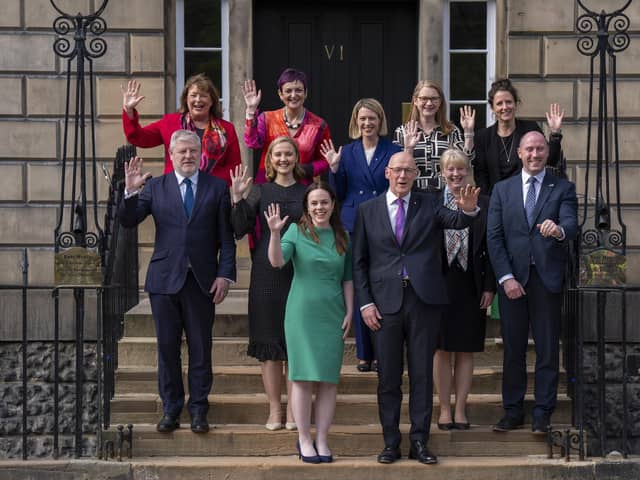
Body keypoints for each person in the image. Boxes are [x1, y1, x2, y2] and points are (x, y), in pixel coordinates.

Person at [353, 151, 480, 465]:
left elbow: (457, 220)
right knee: (388, 378)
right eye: (397, 170)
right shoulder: (367, 210)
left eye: (409, 170)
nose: (402, 176)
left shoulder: (429, 203)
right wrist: (366, 302)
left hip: (423, 301)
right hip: (384, 303)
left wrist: (469, 210)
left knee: (422, 375)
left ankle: (420, 442)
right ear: (387, 173)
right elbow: (359, 263)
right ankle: (391, 443)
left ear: (415, 175)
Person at [119, 129, 236, 434]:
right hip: (164, 281)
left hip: (202, 281)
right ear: (171, 155)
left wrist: (225, 274)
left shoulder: (217, 187)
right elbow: (128, 220)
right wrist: (130, 193)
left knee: (200, 348)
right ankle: (171, 408)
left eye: (193, 151)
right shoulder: (156, 187)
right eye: (181, 151)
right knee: (167, 348)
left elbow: (227, 237)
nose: (187, 156)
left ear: (201, 154)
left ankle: (198, 409)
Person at [487, 131, 577, 434]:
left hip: (547, 280)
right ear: (519, 154)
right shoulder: (502, 190)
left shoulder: (562, 187)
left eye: (540, 149)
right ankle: (512, 411)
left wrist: (558, 231)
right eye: (529, 149)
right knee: (513, 350)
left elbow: (570, 224)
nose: (535, 154)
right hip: (512, 281)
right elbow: (494, 238)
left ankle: (543, 411)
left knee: (548, 350)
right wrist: (506, 277)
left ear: (547, 153)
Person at [265, 181, 353, 464]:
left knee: (328, 380)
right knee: (302, 378)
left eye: (324, 202)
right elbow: (277, 262)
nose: (319, 207)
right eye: (314, 203)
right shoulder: (296, 231)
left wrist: (351, 311)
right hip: (302, 314)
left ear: (333, 205)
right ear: (307, 207)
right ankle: (304, 438)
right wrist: (275, 234)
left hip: (334, 313)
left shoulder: (342, 235)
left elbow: (348, 278)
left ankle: (323, 439)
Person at [229, 136, 306, 431]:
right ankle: (275, 409)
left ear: (296, 158)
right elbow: (239, 228)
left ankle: (296, 410)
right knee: (270, 343)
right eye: (278, 154)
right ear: (270, 160)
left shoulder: (307, 191)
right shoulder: (259, 191)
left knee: (295, 345)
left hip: (300, 270)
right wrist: (237, 198)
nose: (284, 159)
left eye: (288, 154)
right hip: (266, 274)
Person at [321, 98, 401, 373]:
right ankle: (364, 354)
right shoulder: (347, 151)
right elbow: (339, 193)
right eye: (362, 119)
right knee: (359, 283)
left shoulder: (393, 150)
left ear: (380, 121)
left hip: (384, 220)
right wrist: (333, 169)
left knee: (383, 283)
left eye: (372, 118)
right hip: (354, 223)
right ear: (356, 121)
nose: (367, 123)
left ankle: (382, 352)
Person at [433, 149, 496, 431]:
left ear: (468, 171)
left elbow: (493, 246)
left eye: (461, 169)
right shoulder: (431, 202)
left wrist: (490, 286)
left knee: (466, 351)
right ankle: (444, 409)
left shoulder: (485, 201)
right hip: (440, 283)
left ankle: (461, 409)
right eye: (450, 170)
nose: (456, 175)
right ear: (442, 173)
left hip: (472, 284)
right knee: (441, 349)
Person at [121, 73, 241, 186]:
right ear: (186, 99)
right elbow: (139, 137)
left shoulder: (227, 129)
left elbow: (234, 168)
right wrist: (129, 111)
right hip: (175, 193)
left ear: (212, 101)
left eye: (203, 96)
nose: (198, 100)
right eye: (193, 95)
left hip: (213, 195)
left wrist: (204, 182)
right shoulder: (170, 123)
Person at [473, 78, 564, 194]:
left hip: (528, 198)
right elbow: (481, 176)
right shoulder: (482, 137)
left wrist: (555, 133)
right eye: (499, 103)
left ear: (516, 103)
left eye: (509, 102)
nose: (505, 107)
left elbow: (550, 160)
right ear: (492, 108)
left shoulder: (530, 129)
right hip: (496, 201)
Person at [243, 68, 330, 185]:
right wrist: (251, 111)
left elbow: (326, 160)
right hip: (269, 184)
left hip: (301, 188)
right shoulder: (267, 118)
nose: (293, 95)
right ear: (280, 94)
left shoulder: (319, 125)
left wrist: (305, 169)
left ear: (306, 92)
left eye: (298, 90)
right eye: (288, 91)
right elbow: (252, 143)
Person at [393, 81, 475, 191]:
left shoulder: (451, 131)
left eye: (434, 99)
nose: (429, 103)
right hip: (414, 194)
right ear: (415, 101)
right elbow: (398, 169)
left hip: (445, 194)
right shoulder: (403, 132)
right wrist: (409, 149)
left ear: (440, 102)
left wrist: (468, 133)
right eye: (424, 98)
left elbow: (465, 163)